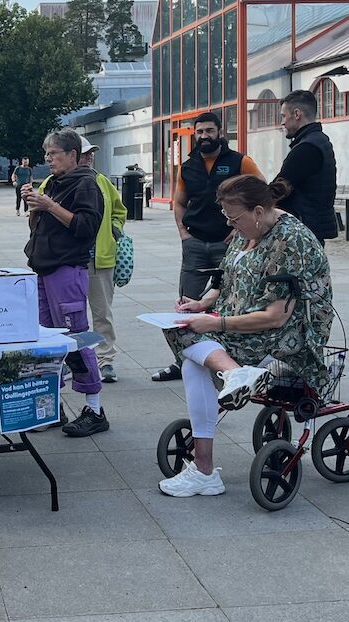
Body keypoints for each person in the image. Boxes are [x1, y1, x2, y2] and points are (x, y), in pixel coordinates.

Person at [158, 175, 334, 497]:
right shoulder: (247, 230)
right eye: (227, 217)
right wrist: (201, 304)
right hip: (244, 320)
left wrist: (215, 323)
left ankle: (204, 469)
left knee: (191, 351)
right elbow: (225, 283)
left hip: (288, 333)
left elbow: (276, 315)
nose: (230, 225)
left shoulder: (290, 240)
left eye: (234, 218)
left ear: (257, 211)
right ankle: (236, 375)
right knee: (182, 337)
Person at [152, 112, 261, 383]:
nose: (204, 136)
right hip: (195, 243)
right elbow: (179, 202)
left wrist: (240, 230)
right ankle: (183, 360)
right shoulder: (188, 166)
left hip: (230, 245)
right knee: (186, 304)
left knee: (228, 302)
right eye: (200, 132)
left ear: (220, 132)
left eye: (209, 131)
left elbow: (263, 193)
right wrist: (182, 233)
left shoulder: (240, 161)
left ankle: (228, 360)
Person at [23, 129, 106, 436]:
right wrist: (36, 206)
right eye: (47, 154)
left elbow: (86, 227)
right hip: (44, 269)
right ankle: (50, 407)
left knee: (75, 338)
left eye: (54, 153)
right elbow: (41, 224)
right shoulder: (56, 183)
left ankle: (94, 409)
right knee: (45, 342)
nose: (49, 159)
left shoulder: (86, 183)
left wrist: (49, 206)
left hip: (66, 270)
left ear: (73, 154)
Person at [78, 138, 126, 384]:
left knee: (102, 313)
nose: (88, 158)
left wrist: (115, 230)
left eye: (91, 154)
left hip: (100, 258)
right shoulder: (53, 182)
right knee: (69, 316)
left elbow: (120, 210)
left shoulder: (102, 182)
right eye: (84, 154)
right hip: (69, 260)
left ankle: (105, 360)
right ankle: (72, 361)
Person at [275, 89, 339, 244]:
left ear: (297, 114)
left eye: (283, 116)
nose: (282, 122)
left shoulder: (306, 148)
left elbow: (279, 188)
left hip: (303, 227)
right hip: (311, 225)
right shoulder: (319, 140)